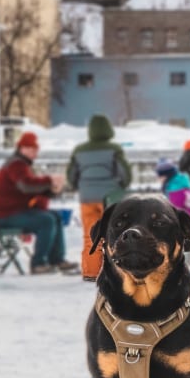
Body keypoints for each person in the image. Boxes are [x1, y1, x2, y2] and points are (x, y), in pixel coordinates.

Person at [0, 131, 76, 275]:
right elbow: (26, 186)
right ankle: (38, 263)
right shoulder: (16, 164)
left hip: (18, 212)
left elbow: (32, 189)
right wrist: (50, 181)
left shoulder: (22, 165)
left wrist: (51, 190)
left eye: (35, 150)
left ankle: (57, 259)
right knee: (46, 220)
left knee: (55, 216)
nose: (33, 153)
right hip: (9, 215)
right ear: (21, 149)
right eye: (30, 149)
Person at [65, 114, 132, 280]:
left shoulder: (79, 151)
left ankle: (91, 272)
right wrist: (122, 186)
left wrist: (78, 187)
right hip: (110, 198)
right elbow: (125, 173)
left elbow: (71, 175)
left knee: (90, 236)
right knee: (116, 234)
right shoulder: (114, 149)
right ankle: (119, 272)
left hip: (87, 198)